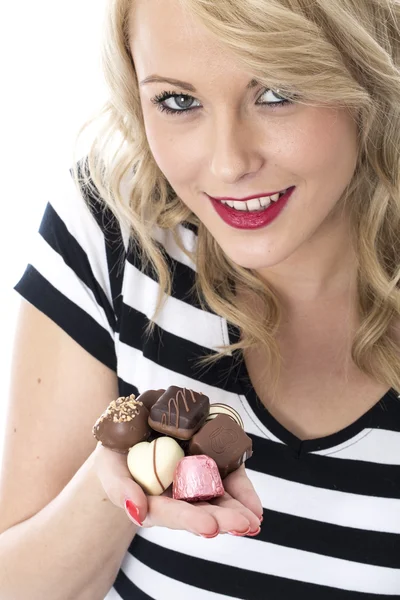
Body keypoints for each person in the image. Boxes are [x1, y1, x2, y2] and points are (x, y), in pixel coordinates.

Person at [1, 0, 400, 597]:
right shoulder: (117, 233)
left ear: (368, 74)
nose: (228, 163)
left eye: (278, 91)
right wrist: (122, 482)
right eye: (178, 101)